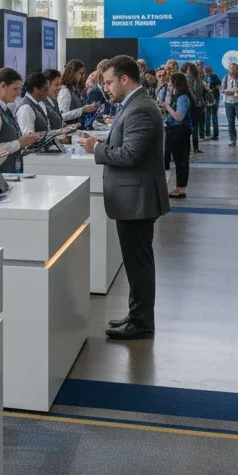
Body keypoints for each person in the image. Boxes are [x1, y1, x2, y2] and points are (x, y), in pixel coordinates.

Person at [81, 56, 168, 341]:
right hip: (133, 198)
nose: (105, 87)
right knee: (135, 262)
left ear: (125, 79)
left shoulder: (140, 108)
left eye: (108, 82)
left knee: (139, 263)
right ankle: (136, 315)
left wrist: (97, 148)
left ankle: (142, 321)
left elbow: (131, 154)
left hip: (137, 199)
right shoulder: (134, 105)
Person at [0, 67, 41, 173]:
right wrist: (19, 143)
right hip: (0, 174)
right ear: (2, 86)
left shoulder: (4, 109)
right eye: (15, 89)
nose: (18, 93)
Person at [160, 68, 194, 199]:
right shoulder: (178, 97)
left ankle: (181, 188)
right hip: (173, 130)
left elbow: (179, 116)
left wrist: (167, 107)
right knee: (175, 159)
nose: (169, 87)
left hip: (179, 131)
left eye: (171, 84)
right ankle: (178, 187)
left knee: (181, 160)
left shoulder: (182, 98)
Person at [57, 59, 99, 126]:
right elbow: (62, 116)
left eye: (84, 73)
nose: (83, 76)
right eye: (80, 73)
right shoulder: (65, 91)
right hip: (70, 131)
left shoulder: (74, 88)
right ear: (72, 73)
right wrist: (83, 110)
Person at [204, 65, 222, 140]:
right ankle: (216, 134)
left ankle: (207, 133)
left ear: (207, 72)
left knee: (208, 117)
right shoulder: (217, 78)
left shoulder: (209, 78)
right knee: (214, 117)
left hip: (209, 100)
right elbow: (218, 88)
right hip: (216, 99)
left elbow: (209, 89)